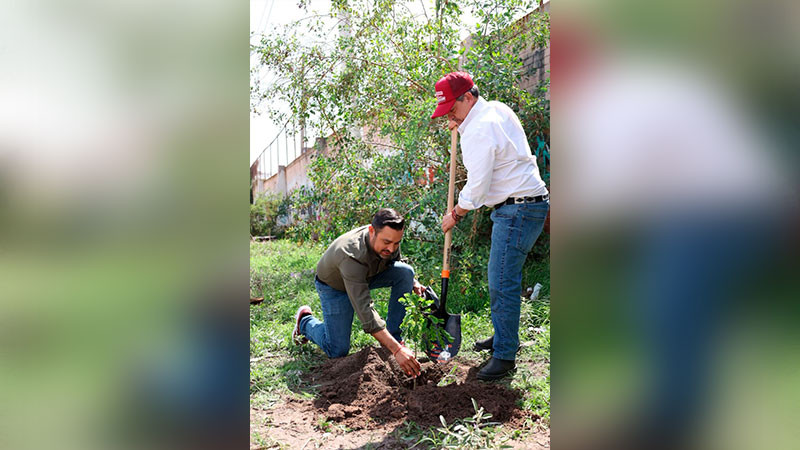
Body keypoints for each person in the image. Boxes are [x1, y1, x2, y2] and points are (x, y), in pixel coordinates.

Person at [432, 72, 549, 381]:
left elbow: (478, 187)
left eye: (452, 110)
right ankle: (503, 337)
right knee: (504, 277)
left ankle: (505, 355)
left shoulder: (479, 130)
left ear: (467, 97)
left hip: (516, 211)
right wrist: (462, 123)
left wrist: (455, 214)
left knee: (501, 282)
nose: (450, 117)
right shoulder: (494, 109)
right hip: (528, 204)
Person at [292, 208, 424, 377]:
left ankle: (394, 338)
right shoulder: (350, 255)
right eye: (386, 242)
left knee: (406, 272)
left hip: (366, 275)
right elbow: (366, 313)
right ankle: (304, 322)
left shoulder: (388, 239)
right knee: (337, 350)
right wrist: (397, 351)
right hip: (335, 286)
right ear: (371, 231)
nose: (391, 249)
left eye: (396, 243)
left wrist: (412, 281)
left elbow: (395, 262)